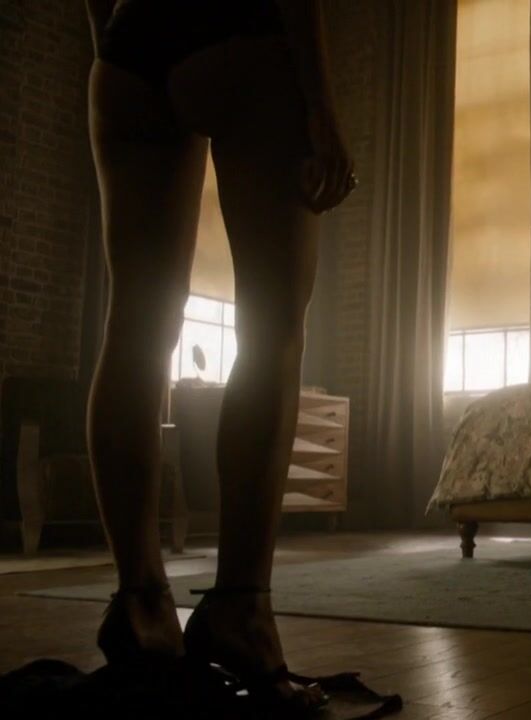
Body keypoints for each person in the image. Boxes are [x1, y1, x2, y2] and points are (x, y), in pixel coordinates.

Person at [84, 0, 354, 713]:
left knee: (134, 327)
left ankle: (141, 602)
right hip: (243, 30)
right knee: (273, 328)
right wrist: (321, 107)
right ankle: (240, 608)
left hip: (129, 49)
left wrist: (113, 41)